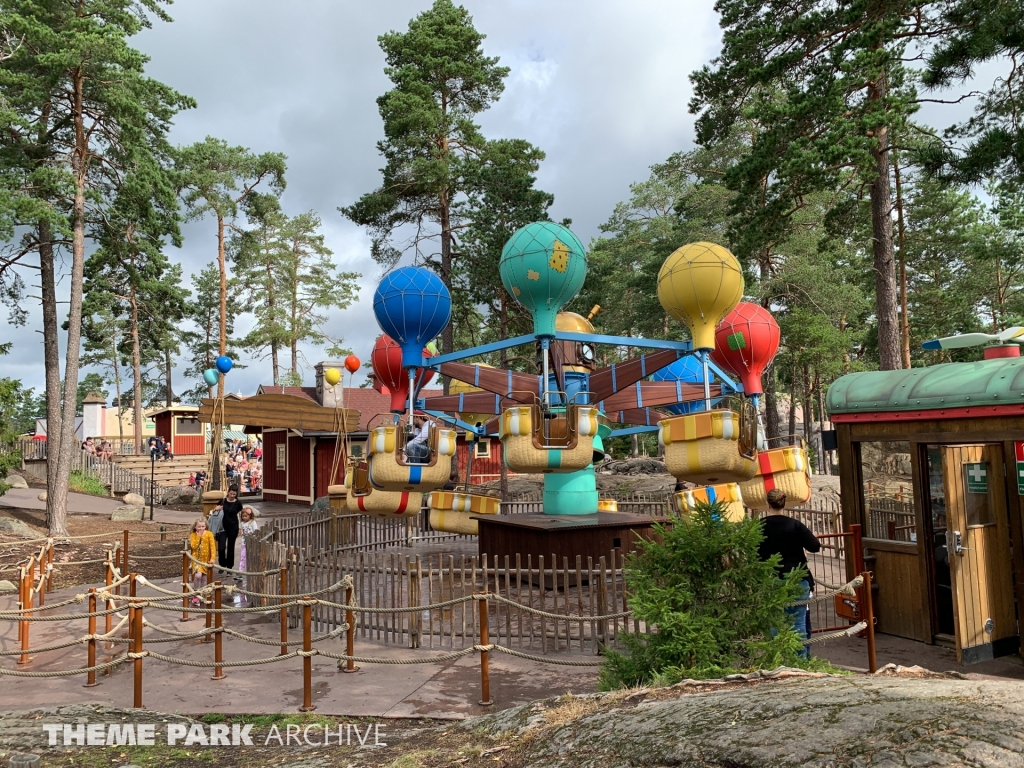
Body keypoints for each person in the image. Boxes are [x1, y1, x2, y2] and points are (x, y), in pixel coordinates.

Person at [758, 488, 821, 658]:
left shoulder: (759, 526)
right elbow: (815, 546)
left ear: (767, 504)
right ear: (784, 503)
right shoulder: (794, 525)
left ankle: (776, 660)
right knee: (798, 623)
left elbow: (752, 553)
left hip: (770, 581)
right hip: (797, 578)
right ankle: (800, 661)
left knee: (773, 623)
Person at [217, 484, 244, 579]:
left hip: (233, 527)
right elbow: (215, 512)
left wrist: (240, 527)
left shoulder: (238, 503)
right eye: (231, 494)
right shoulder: (223, 501)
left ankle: (229, 567)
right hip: (222, 527)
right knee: (221, 547)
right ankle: (222, 564)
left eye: (234, 494)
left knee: (230, 548)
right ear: (228, 492)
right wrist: (216, 509)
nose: (232, 496)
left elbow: (241, 515)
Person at [188, 517, 217, 607]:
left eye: (202, 526)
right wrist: (199, 536)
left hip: (206, 560)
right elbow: (194, 546)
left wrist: (212, 558)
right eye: (199, 527)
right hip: (196, 560)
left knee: (204, 578)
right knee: (198, 575)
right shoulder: (193, 535)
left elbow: (213, 547)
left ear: (206, 526)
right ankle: (196, 594)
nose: (201, 528)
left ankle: (203, 595)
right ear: (195, 527)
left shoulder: (209, 534)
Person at [235, 506, 259, 605]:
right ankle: (240, 572)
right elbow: (241, 531)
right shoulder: (242, 523)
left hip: (251, 543)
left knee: (251, 558)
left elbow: (256, 531)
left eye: (245, 516)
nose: (244, 518)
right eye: (243, 516)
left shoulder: (252, 523)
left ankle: (252, 570)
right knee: (243, 557)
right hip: (244, 543)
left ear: (250, 516)